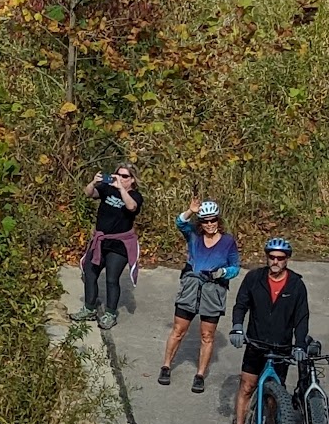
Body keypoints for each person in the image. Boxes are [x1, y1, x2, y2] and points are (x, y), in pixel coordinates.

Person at [226, 236, 311, 424]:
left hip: (281, 347)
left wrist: (300, 345)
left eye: (280, 258)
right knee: (247, 387)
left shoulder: (296, 285)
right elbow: (241, 305)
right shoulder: (254, 278)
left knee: (275, 395)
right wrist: (237, 327)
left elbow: (302, 319)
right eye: (271, 257)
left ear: (287, 259)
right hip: (256, 343)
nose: (275, 261)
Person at [158, 198, 240, 393]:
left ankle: (200, 374)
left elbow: (235, 267)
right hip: (191, 287)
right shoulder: (194, 236)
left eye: (213, 220)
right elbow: (180, 223)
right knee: (178, 330)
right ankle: (166, 366)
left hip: (213, 290)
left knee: (207, 335)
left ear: (218, 220)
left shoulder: (228, 241)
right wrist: (190, 211)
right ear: (200, 223)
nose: (210, 224)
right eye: (205, 221)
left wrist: (223, 273)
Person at [81, 164, 143, 330]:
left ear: (132, 180)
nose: (120, 178)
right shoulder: (107, 189)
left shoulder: (135, 196)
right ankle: (89, 308)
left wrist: (121, 189)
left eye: (124, 176)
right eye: (118, 174)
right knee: (89, 272)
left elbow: (131, 207)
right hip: (101, 240)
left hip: (120, 243)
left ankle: (110, 313)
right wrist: (93, 183)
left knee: (111, 278)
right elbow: (88, 193)